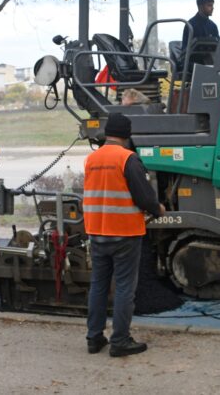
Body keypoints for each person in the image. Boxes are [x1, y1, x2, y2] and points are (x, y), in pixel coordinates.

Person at [83, 113, 164, 357]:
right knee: (124, 287)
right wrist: (158, 209)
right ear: (127, 136)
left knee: (98, 286)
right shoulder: (127, 158)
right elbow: (144, 196)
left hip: (97, 231)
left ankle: (94, 338)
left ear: (108, 133)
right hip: (124, 233)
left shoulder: (91, 159)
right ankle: (120, 341)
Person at [179, 0, 219, 70]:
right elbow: (185, 50)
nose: (212, 8)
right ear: (201, 6)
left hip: (209, 59)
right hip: (193, 60)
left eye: (212, 5)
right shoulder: (190, 25)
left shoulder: (213, 26)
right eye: (209, 5)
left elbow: (218, 45)